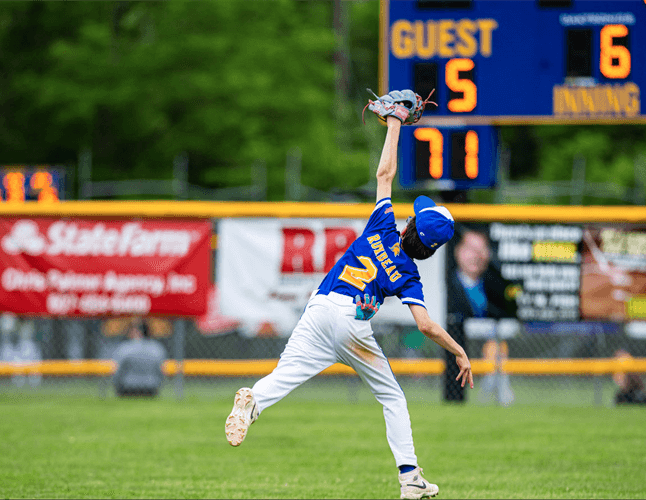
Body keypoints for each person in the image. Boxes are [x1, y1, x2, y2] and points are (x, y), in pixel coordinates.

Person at [225, 89, 473, 500]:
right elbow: (426, 326)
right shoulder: (410, 276)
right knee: (392, 397)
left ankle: (254, 402)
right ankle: (410, 478)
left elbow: (384, 175)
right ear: (430, 250)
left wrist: (394, 123)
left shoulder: (383, 225)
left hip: (320, 305)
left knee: (287, 373)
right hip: (351, 321)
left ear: (410, 225)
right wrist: (459, 351)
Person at [445, 229, 517, 402]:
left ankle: (490, 389)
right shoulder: (448, 282)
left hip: (489, 337)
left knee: (496, 345)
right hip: (459, 337)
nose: (476, 256)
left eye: (481, 250)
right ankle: (495, 391)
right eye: (471, 249)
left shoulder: (494, 281)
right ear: (458, 251)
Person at [112, 319, 167, 398]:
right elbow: (161, 371)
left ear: (137, 332)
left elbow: (117, 371)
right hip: (151, 389)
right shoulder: (157, 348)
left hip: (127, 389)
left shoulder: (125, 348)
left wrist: (116, 385)